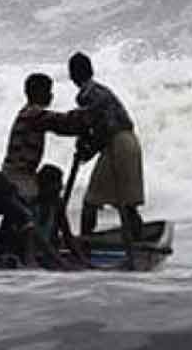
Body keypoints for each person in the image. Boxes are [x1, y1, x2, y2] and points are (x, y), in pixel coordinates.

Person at [66, 52, 145, 270]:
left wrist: (87, 151)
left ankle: (83, 246)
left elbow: (100, 130)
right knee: (126, 203)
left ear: (72, 75)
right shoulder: (101, 90)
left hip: (116, 144)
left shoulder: (86, 95)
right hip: (130, 142)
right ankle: (139, 245)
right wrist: (89, 149)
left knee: (91, 201)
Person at [1, 73, 86, 203]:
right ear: (38, 93)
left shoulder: (26, 112)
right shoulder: (34, 114)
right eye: (47, 91)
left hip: (17, 173)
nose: (51, 95)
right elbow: (65, 123)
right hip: (20, 177)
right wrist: (88, 114)